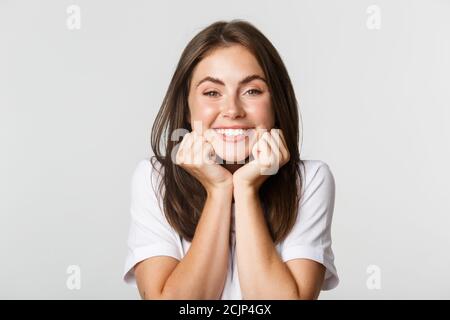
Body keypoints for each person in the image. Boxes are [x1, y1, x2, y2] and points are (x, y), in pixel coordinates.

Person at [123, 19, 339, 299]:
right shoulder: (153, 179)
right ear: (188, 109)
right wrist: (219, 190)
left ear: (276, 104)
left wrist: (246, 188)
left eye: (252, 91)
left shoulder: (310, 180)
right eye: (212, 92)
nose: (233, 110)